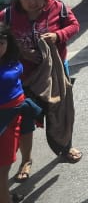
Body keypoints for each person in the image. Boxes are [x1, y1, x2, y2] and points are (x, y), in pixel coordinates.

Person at [2, 0, 82, 172]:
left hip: (55, 71)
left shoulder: (57, 7)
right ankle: (26, 160)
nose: (34, 2)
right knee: (24, 118)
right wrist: (20, 52)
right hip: (24, 77)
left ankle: (65, 147)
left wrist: (58, 35)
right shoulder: (9, 15)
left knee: (60, 111)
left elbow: (74, 25)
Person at [0, 23, 28, 203]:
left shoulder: (9, 57)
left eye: (0, 42)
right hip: (3, 123)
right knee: (2, 169)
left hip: (16, 115)